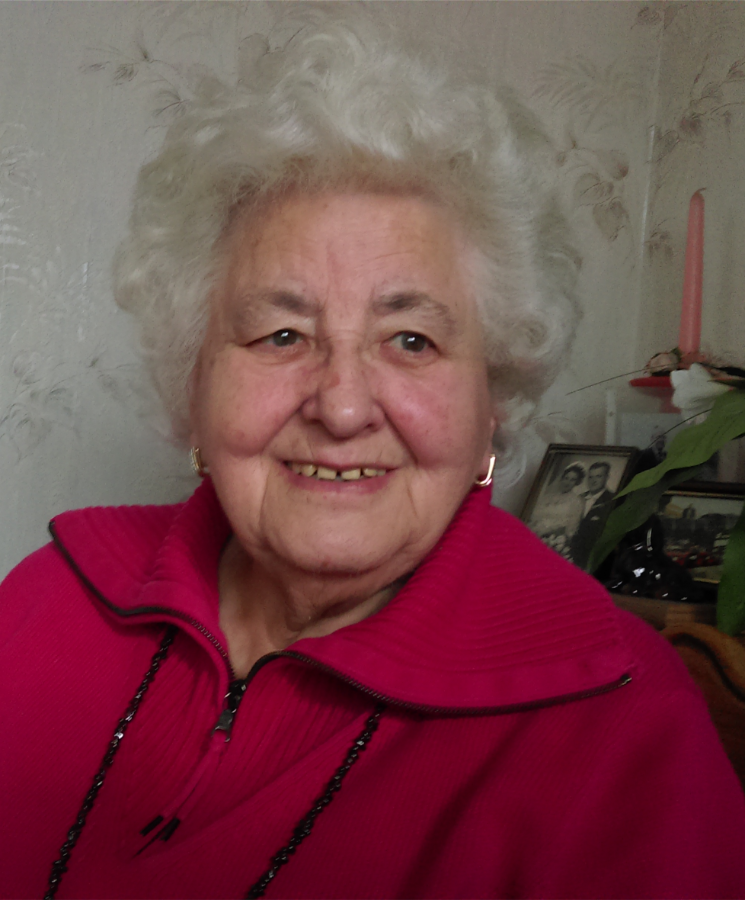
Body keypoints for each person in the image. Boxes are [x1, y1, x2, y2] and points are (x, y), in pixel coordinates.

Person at [1, 9, 744, 900]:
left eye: (411, 341)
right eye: (280, 334)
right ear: (194, 381)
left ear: (491, 403)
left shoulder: (622, 728)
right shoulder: (44, 604)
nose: (343, 405)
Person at [527, 461, 586, 559]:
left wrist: (554, 537)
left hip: (554, 539)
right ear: (562, 478)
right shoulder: (548, 497)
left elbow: (571, 527)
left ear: (577, 482)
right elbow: (535, 516)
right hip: (536, 533)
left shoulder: (576, 501)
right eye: (566, 478)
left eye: (572, 480)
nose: (568, 482)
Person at [570, 459, 616, 569]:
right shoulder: (578, 498)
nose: (593, 481)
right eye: (590, 477)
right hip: (570, 554)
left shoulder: (613, 500)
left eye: (598, 476)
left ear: (607, 477)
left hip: (592, 560)